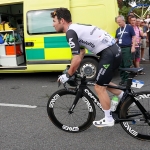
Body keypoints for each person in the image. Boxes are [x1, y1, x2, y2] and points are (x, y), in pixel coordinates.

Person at [51, 8, 124, 127]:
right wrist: (73, 68)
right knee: (103, 81)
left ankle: (108, 119)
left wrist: (68, 75)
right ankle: (124, 97)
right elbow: (81, 53)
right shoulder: (75, 27)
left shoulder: (70, 32)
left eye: (54, 21)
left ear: (62, 20)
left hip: (108, 53)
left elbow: (77, 58)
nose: (53, 24)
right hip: (113, 51)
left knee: (99, 87)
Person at [115, 15, 136, 86]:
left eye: (119, 22)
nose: (119, 24)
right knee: (121, 65)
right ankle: (123, 79)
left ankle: (128, 80)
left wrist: (133, 46)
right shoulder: (118, 30)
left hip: (127, 48)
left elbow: (134, 36)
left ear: (123, 20)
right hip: (119, 48)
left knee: (127, 64)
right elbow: (117, 39)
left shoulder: (129, 27)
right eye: (117, 22)